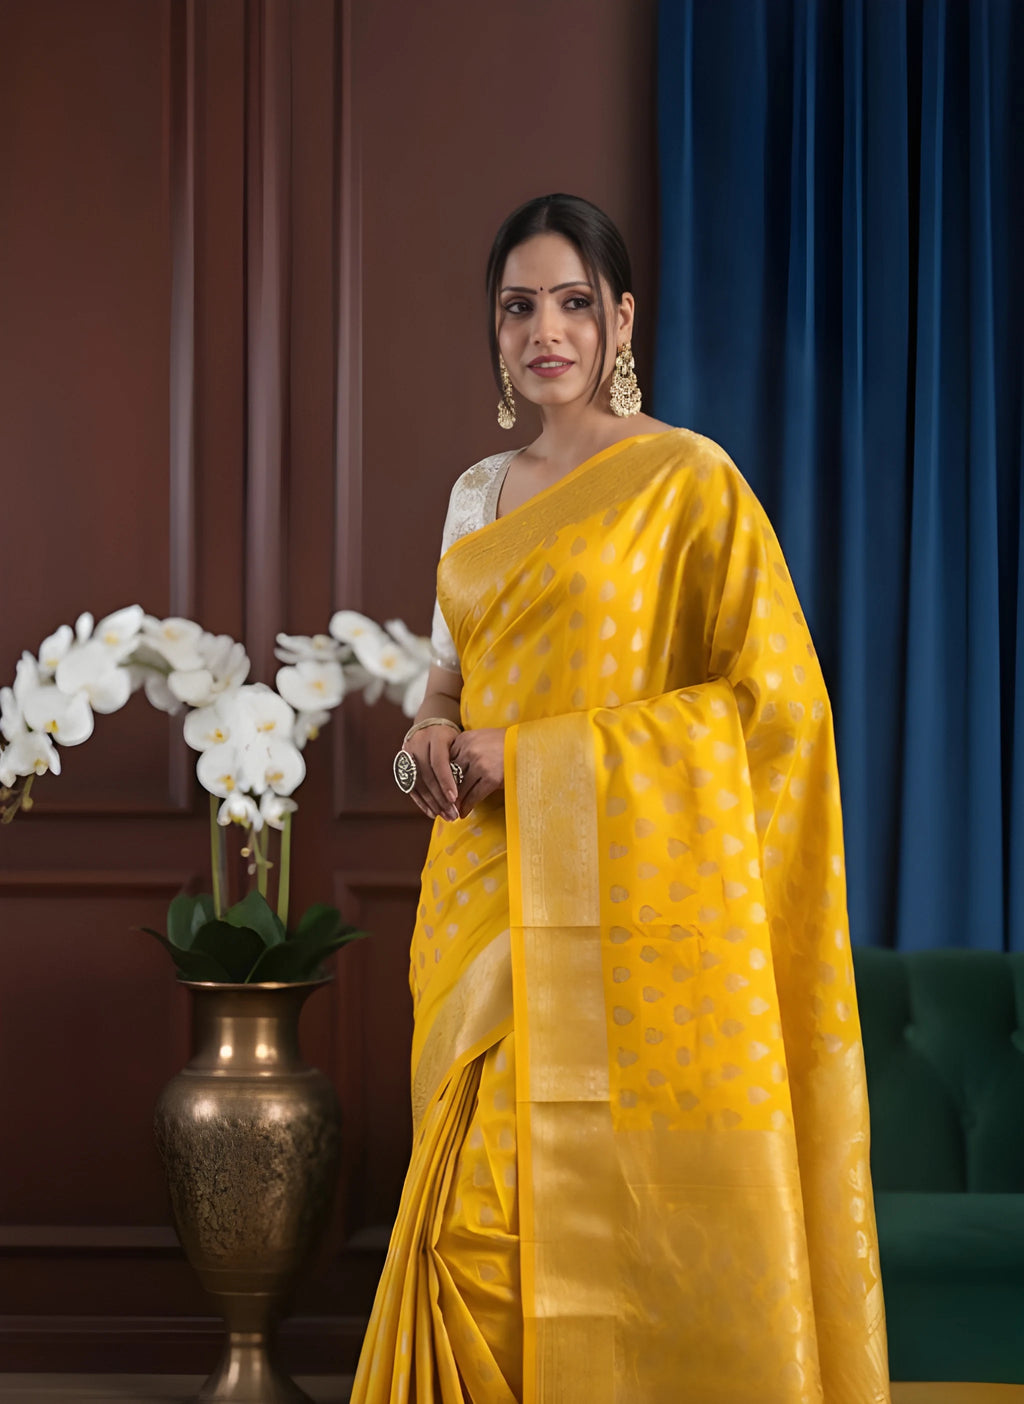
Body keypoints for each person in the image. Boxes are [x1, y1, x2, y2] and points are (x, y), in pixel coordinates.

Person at [351, 194, 890, 1404]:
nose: (546, 330)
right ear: (494, 333)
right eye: (518, 307)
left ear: (621, 320)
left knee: (599, 1231)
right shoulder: (475, 495)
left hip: (641, 928)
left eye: (573, 302)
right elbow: (441, 696)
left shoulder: (685, 482)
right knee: (470, 1238)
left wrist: (532, 758)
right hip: (487, 911)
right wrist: (427, 749)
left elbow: (773, 712)